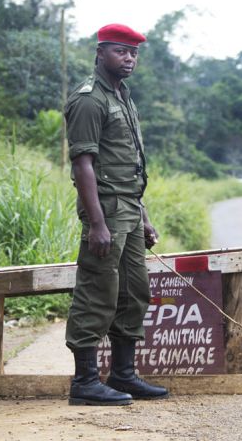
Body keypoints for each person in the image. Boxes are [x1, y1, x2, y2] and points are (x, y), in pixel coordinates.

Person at [64, 23, 168, 406]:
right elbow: (83, 165)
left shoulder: (123, 95)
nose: (129, 59)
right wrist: (96, 223)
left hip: (129, 209)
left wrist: (143, 216)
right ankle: (85, 382)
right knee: (97, 292)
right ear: (100, 53)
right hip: (105, 211)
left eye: (134, 53)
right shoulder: (90, 100)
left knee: (133, 293)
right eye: (121, 52)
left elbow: (128, 165)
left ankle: (123, 375)